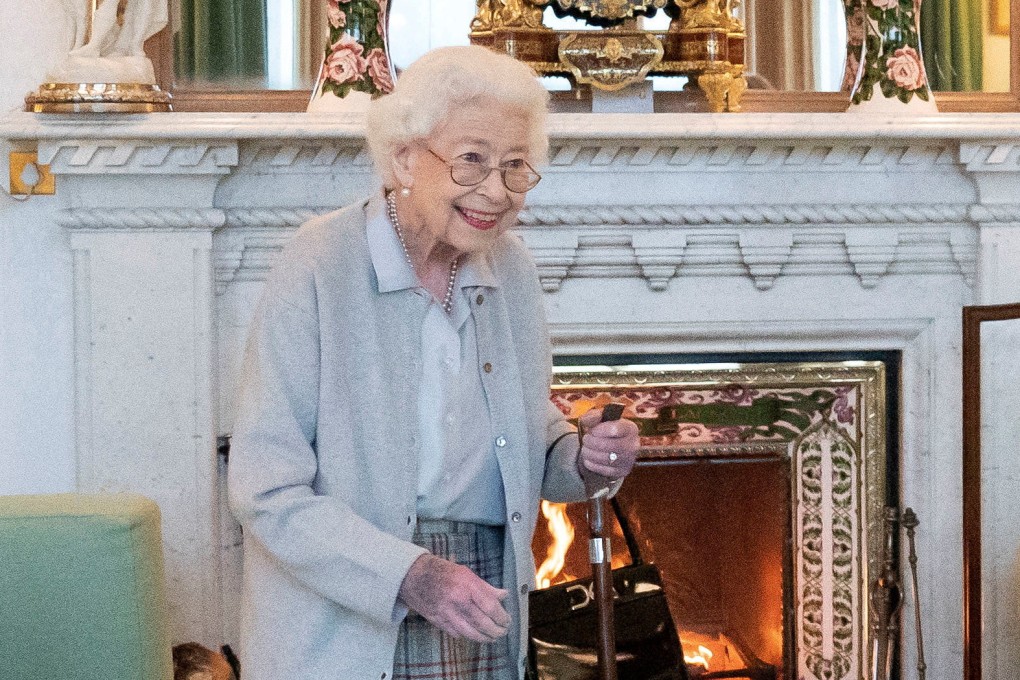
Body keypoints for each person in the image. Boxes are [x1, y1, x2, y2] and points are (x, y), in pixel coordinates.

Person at [227, 45, 641, 680]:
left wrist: (579, 457)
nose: (496, 192)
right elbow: (266, 489)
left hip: (482, 594)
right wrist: (413, 575)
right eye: (471, 160)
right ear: (403, 158)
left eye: (515, 167)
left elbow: (526, 434)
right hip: (350, 614)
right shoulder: (316, 266)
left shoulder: (513, 271)